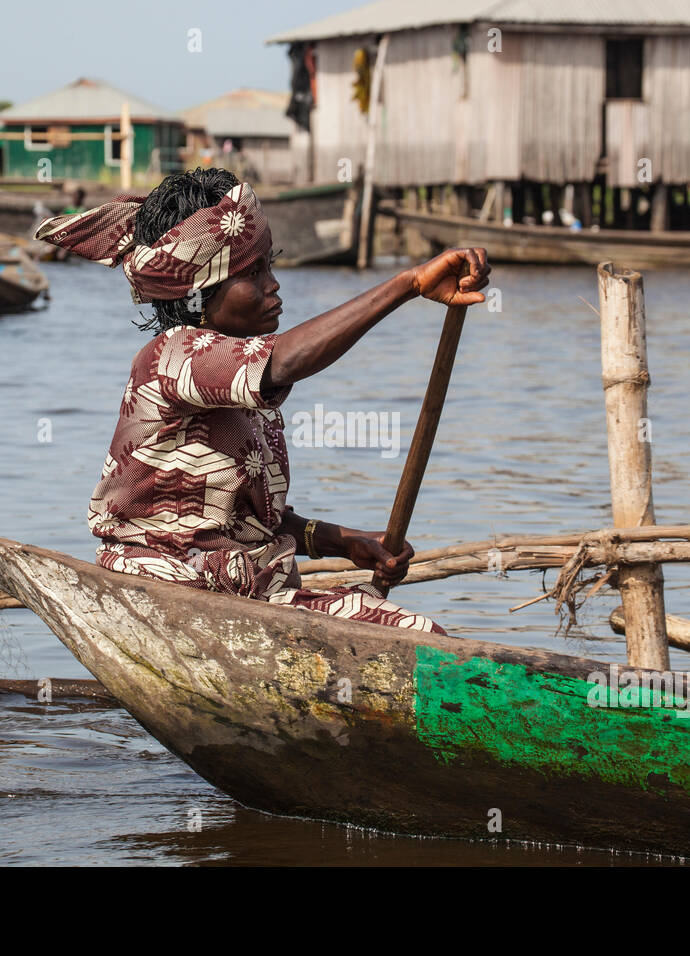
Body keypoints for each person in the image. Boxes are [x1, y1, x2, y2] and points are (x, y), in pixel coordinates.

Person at [35, 167, 490, 635]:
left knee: (392, 625)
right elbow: (288, 360)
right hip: (173, 598)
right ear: (200, 291)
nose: (273, 285)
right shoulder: (174, 355)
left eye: (269, 266)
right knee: (414, 634)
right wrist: (409, 284)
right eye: (253, 273)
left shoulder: (236, 379)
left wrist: (343, 541)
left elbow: (243, 521)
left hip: (243, 595)